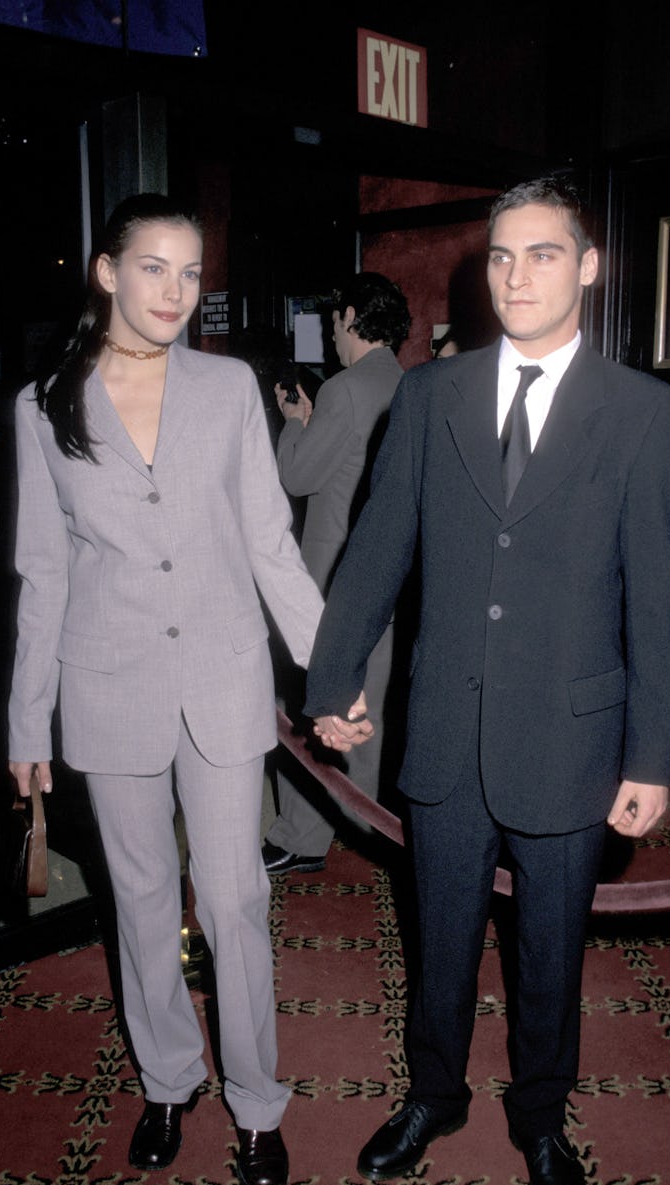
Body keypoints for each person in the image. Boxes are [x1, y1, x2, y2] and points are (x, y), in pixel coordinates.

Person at [304, 177, 670, 1185]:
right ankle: (433, 1096)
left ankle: (541, 1116)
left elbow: (659, 602)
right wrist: (332, 678)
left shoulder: (644, 415)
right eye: (502, 258)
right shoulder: (430, 395)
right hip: (441, 724)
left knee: (549, 952)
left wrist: (652, 756)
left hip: (571, 734)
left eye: (544, 254)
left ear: (589, 266)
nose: (519, 276)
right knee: (436, 934)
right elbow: (376, 548)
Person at [7, 193, 326, 1185]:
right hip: (107, 687)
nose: (177, 292)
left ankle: (257, 1100)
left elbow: (271, 540)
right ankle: (167, 1076)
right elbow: (43, 573)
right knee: (141, 899)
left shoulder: (230, 387)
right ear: (107, 271)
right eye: (155, 267)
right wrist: (27, 721)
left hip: (224, 680)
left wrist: (330, 666)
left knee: (235, 898)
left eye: (192, 273)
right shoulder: (42, 404)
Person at [262, 272, 410, 876]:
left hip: (332, 574)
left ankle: (300, 836)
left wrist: (295, 421)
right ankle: (366, 825)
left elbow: (297, 478)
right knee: (367, 706)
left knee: (309, 704)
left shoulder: (345, 390)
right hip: (391, 575)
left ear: (350, 317)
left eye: (332, 322)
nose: (330, 334)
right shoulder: (409, 383)